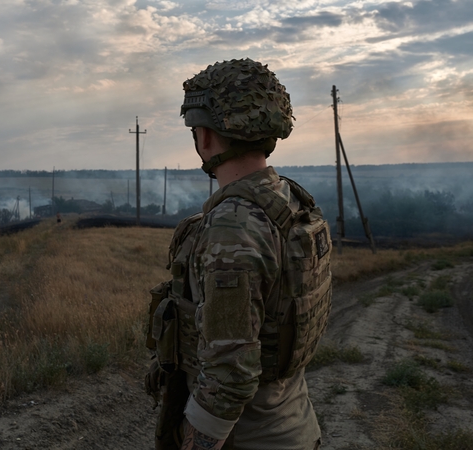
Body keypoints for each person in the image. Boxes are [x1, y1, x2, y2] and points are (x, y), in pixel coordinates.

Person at [146, 58, 332, 450]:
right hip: (296, 426)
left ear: (207, 137)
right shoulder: (289, 201)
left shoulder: (233, 225)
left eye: (196, 130)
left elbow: (230, 375)